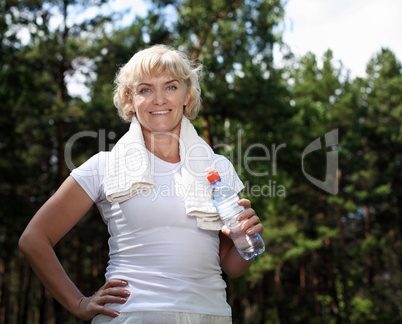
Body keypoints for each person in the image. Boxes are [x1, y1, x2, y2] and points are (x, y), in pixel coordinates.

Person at [19, 44, 264, 323]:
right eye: (145, 89)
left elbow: (231, 266)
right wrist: (78, 303)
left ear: (188, 95)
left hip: (210, 314)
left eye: (170, 87)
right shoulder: (104, 166)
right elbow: (33, 239)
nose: (159, 99)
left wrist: (245, 241)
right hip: (133, 315)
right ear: (129, 100)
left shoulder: (218, 168)